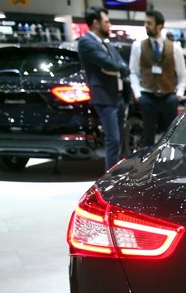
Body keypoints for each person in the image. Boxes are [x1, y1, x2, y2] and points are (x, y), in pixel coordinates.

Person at [77, 7, 130, 171]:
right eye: (106, 21)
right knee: (113, 139)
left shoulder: (105, 44)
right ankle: (110, 178)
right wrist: (117, 68)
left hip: (117, 96)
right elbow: (109, 64)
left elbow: (121, 65)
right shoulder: (86, 42)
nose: (109, 24)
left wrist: (117, 68)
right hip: (104, 97)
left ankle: (116, 173)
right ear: (95, 23)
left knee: (118, 139)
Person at [129, 10, 186, 149]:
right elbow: (133, 72)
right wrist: (138, 94)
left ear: (159, 26)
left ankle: (170, 160)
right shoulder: (138, 46)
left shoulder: (175, 48)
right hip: (148, 96)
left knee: (171, 136)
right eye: (145, 22)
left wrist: (179, 94)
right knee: (147, 137)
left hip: (169, 97)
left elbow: (182, 73)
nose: (146, 25)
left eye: (149, 23)